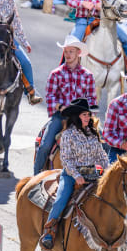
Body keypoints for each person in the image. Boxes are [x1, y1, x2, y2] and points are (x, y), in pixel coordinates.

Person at [39, 98, 109, 250]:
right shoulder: (68, 134)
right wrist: (76, 175)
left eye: (88, 115)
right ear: (77, 116)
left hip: (93, 174)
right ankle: (49, 231)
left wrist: (107, 171)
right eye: (84, 115)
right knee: (61, 199)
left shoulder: (93, 133)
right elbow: (66, 159)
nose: (88, 118)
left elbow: (101, 155)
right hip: (71, 175)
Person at [34, 35, 96, 175]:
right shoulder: (56, 74)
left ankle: (96, 183)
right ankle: (36, 178)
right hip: (60, 117)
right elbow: (50, 96)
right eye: (66, 51)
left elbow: (92, 100)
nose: (67, 55)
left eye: (71, 51)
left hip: (81, 119)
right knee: (45, 146)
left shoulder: (88, 76)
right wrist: (61, 107)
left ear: (78, 53)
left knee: (100, 146)